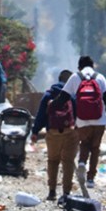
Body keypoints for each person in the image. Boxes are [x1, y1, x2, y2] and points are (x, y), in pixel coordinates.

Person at [62, 56, 106, 189]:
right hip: (99, 120)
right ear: (93, 66)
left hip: (82, 119)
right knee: (95, 148)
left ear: (79, 67)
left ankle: (81, 162)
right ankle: (90, 178)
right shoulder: (100, 77)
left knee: (84, 143)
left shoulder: (75, 77)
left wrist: (53, 107)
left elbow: (64, 97)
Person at [30, 70, 76, 202]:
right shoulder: (71, 94)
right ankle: (66, 193)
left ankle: (52, 192)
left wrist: (35, 131)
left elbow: (41, 115)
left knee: (53, 161)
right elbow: (77, 113)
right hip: (69, 131)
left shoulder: (48, 94)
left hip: (53, 132)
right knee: (68, 162)